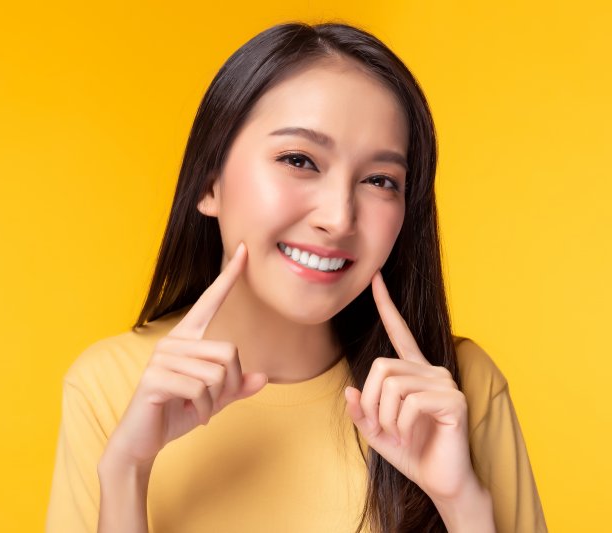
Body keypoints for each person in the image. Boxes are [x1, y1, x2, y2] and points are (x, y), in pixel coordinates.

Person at [45, 21, 547, 533]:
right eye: (299, 160)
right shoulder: (111, 386)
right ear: (208, 182)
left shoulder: (453, 394)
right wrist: (126, 471)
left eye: (380, 180)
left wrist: (463, 503)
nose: (339, 217)